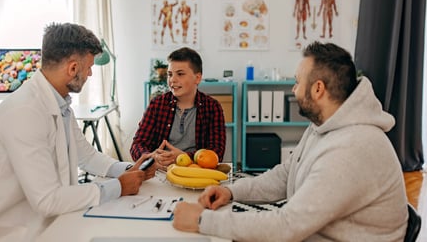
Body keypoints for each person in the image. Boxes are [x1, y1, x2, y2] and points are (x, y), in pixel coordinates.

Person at [172, 41, 408, 241]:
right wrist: (231, 192)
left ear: (318, 89)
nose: (294, 90)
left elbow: (287, 225)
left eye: (297, 82)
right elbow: (287, 175)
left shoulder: (352, 148)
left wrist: (201, 220)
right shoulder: (324, 125)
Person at [0, 23, 157, 242]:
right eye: (89, 67)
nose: (90, 74)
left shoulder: (59, 104)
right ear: (73, 68)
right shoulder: (24, 112)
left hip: (49, 224)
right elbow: (47, 199)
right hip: (8, 234)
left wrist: (128, 169)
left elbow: (87, 156)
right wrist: (118, 187)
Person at [130, 47, 226, 170]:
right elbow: (137, 144)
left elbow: (217, 152)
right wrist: (150, 156)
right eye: (169, 74)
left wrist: (184, 157)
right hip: (161, 171)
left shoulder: (212, 108)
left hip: (197, 171)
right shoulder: (157, 105)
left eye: (180, 74)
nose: (172, 80)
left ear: (197, 78)